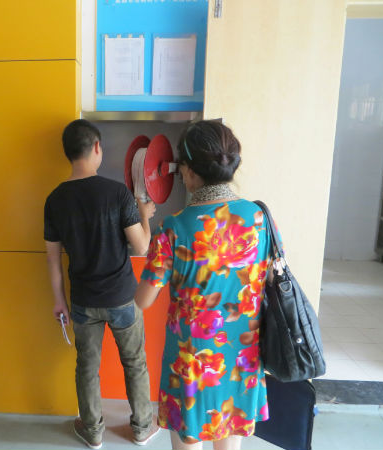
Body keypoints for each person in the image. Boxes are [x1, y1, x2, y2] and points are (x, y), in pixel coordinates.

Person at [134, 120, 272, 450]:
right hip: (242, 354)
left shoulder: (173, 227)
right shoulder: (259, 218)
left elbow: (143, 299)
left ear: (190, 171)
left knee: (189, 436)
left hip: (193, 358)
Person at [44, 119, 160, 449]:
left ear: (68, 153)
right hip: (123, 298)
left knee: (86, 367)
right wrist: (145, 214)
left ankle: (93, 431)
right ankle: (141, 428)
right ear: (96, 147)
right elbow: (142, 247)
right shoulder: (117, 193)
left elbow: (52, 259)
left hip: (82, 301)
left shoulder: (54, 200)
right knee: (134, 363)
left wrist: (59, 300)